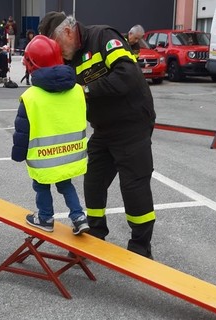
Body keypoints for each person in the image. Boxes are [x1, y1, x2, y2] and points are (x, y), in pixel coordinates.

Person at [38, 12, 156, 258]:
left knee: (133, 185)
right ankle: (96, 233)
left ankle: (140, 247)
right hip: (104, 128)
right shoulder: (70, 57)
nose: (58, 54)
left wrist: (86, 89)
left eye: (57, 46)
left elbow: (128, 75)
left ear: (68, 33)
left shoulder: (103, 37)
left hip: (131, 123)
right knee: (93, 180)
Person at [11, 35, 90, 235]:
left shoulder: (31, 97)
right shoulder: (77, 91)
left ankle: (45, 218)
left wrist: (18, 154)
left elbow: (23, 130)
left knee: (42, 186)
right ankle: (79, 217)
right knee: (66, 185)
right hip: (70, 155)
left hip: (44, 158)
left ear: (32, 64)